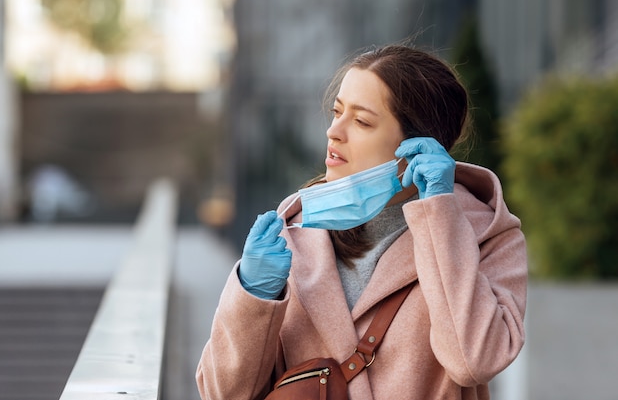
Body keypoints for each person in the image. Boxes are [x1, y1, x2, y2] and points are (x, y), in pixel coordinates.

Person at [196, 44, 527, 400]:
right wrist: (253, 295)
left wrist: (439, 218)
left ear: (417, 145)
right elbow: (222, 394)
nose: (334, 132)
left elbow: (473, 361)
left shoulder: (488, 236)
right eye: (336, 112)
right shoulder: (293, 235)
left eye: (362, 121)